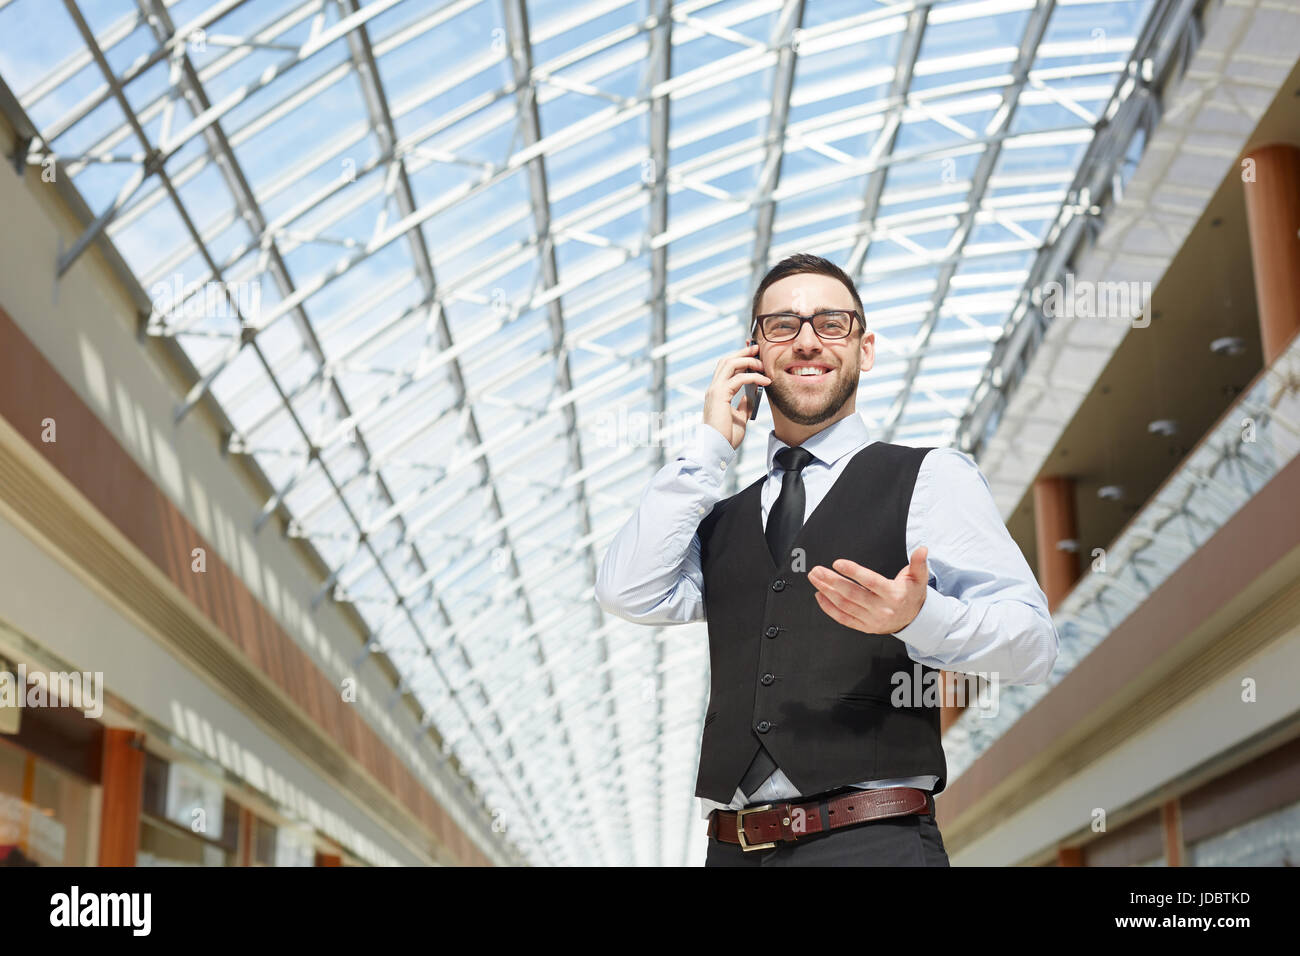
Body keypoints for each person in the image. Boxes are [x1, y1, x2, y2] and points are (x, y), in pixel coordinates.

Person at [595, 253, 1059, 866]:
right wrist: (709, 449)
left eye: (831, 323)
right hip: (731, 849)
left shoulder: (928, 477)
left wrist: (918, 619)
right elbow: (627, 590)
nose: (807, 340)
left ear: (864, 349)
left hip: (870, 842)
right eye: (782, 325)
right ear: (754, 355)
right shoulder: (722, 517)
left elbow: (1033, 646)